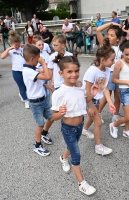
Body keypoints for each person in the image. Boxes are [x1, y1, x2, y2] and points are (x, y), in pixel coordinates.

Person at [51, 55, 96, 195]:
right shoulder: (59, 93)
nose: (74, 74)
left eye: (76, 71)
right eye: (69, 72)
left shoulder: (80, 86)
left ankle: (63, 157)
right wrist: (61, 113)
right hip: (68, 128)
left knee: (72, 146)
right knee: (76, 154)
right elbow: (53, 116)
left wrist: (89, 107)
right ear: (61, 73)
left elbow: (81, 103)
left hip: (80, 125)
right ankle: (81, 183)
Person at [81, 38, 116, 155]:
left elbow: (104, 87)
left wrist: (110, 102)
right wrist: (90, 106)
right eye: (112, 59)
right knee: (98, 122)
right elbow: (87, 90)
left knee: (92, 117)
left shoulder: (107, 70)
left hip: (95, 99)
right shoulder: (93, 70)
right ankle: (98, 146)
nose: (114, 62)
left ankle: (84, 130)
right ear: (103, 59)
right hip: (88, 99)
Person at [22, 44, 54, 156]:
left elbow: (38, 81)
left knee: (51, 117)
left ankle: (44, 133)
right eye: (38, 59)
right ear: (32, 59)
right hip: (35, 103)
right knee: (40, 124)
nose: (39, 61)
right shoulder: (27, 71)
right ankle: (37, 145)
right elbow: (47, 76)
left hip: (43, 99)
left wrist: (46, 85)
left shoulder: (33, 68)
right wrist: (44, 63)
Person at [109, 39, 129, 140]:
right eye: (127, 54)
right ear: (122, 52)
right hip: (125, 91)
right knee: (128, 116)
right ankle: (114, 125)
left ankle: (126, 131)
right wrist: (127, 82)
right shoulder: (119, 63)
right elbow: (114, 79)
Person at [96, 21, 124, 125]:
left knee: (118, 97)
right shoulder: (105, 46)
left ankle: (115, 116)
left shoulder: (120, 48)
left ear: (118, 38)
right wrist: (111, 23)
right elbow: (98, 30)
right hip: (108, 73)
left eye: (112, 35)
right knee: (106, 95)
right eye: (108, 34)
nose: (109, 37)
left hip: (118, 75)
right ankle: (97, 113)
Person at [0, 30, 28, 108]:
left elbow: (33, 49)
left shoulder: (22, 48)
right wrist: (8, 49)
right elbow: (2, 57)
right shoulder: (10, 51)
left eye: (18, 45)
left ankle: (21, 94)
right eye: (15, 45)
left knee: (26, 86)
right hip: (16, 71)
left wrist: (25, 46)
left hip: (25, 70)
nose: (17, 47)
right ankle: (26, 100)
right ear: (11, 44)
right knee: (21, 86)